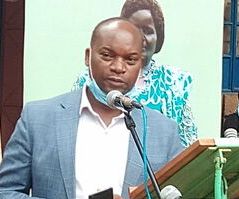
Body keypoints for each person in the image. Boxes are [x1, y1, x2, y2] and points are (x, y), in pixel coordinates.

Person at [0, 18, 191, 199]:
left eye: (131, 60)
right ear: (88, 56)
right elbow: (1, 196)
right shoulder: (39, 118)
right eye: (107, 55)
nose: (119, 67)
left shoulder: (162, 131)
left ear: (141, 64)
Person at [74, 0, 197, 147]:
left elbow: (187, 145)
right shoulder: (91, 79)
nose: (141, 38)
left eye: (148, 31)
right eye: (133, 29)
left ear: (159, 37)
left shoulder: (175, 82)